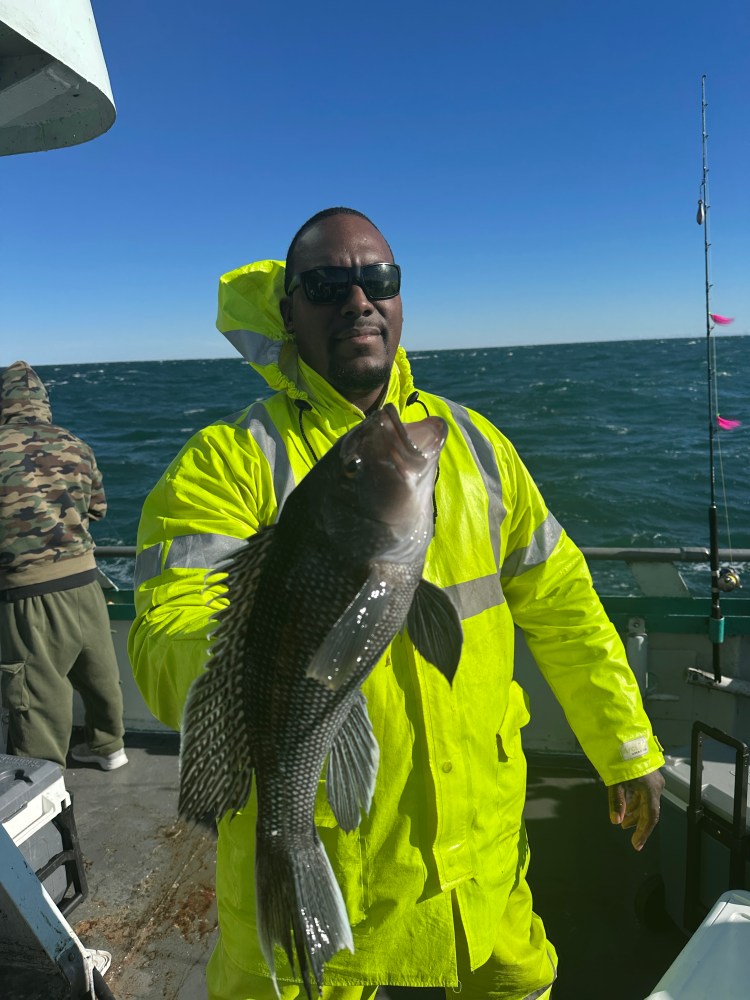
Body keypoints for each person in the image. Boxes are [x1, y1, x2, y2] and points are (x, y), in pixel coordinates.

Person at [129, 208, 665, 1000]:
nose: (358, 301)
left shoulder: (473, 444)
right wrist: (254, 660)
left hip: (480, 869)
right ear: (287, 311)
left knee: (521, 981)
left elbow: (562, 600)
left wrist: (626, 743)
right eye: (325, 285)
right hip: (325, 860)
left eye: (378, 279)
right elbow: (164, 630)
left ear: (401, 299)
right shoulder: (227, 462)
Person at [0, 360, 127, 771]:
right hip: (85, 578)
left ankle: (39, 785)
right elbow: (99, 509)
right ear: (42, 402)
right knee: (99, 673)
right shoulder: (76, 444)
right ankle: (109, 747)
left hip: (26, 592)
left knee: (38, 693)